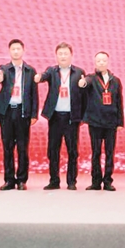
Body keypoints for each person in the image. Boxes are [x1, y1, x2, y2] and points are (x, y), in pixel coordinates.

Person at [35, 42, 87, 190]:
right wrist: (39, 77)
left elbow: (85, 96)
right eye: (60, 54)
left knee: (72, 151)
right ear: (56, 56)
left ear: (71, 55)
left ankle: (71, 181)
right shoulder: (51, 71)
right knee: (53, 150)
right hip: (55, 117)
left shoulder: (79, 72)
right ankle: (54, 180)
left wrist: (82, 116)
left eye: (66, 53)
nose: (63, 56)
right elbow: (44, 76)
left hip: (72, 117)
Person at [0, 39, 39, 191]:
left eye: (18, 49)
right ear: (9, 51)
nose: (15, 51)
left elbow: (34, 94)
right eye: (13, 49)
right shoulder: (4, 68)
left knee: (22, 147)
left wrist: (34, 114)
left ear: (23, 51)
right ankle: (9, 180)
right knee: (7, 147)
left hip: (22, 112)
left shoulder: (30, 71)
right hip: (7, 112)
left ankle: (21, 180)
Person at [81, 52, 124, 191]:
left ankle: (108, 181)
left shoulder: (115, 80)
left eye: (104, 60)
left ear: (108, 62)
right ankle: (95, 181)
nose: (101, 63)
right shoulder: (91, 78)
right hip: (95, 122)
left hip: (111, 122)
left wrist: (120, 122)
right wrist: (82, 83)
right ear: (95, 63)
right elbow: (85, 83)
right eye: (98, 61)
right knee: (96, 152)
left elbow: (119, 101)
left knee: (110, 153)